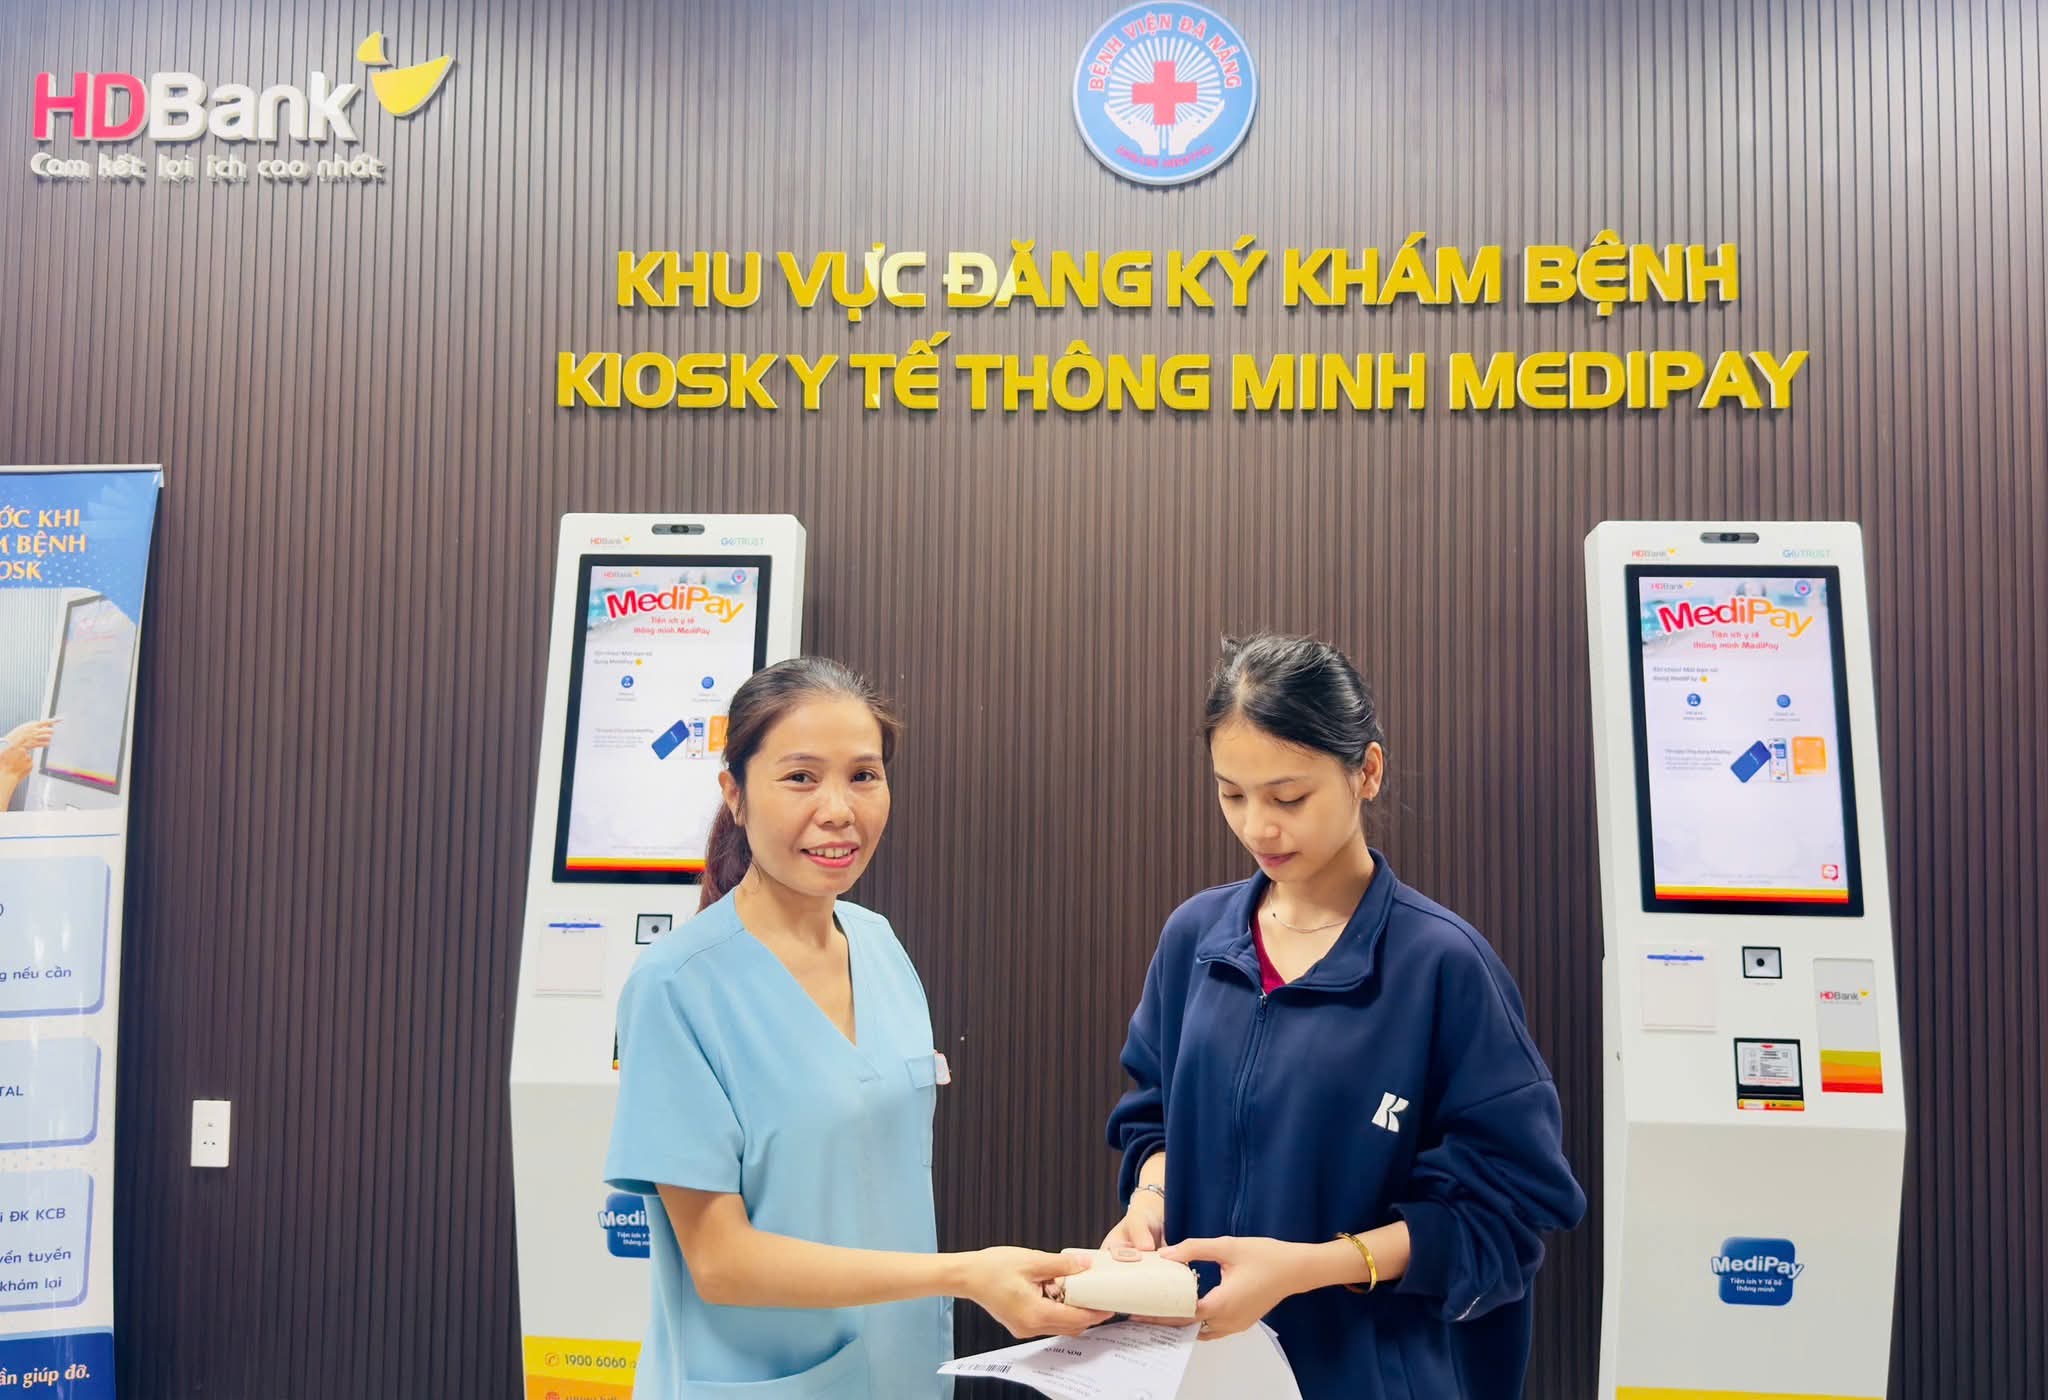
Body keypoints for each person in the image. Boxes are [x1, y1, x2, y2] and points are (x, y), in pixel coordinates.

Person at [606, 658, 1108, 1399]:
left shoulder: (877, 944)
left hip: (901, 1374)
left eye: (864, 776)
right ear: (734, 795)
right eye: (801, 778)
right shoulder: (675, 988)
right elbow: (719, 1261)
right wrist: (965, 1275)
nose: (839, 810)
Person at [1099, 635, 1585, 1399]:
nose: (1258, 828)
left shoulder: (1442, 966)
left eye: (1288, 798)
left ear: (1368, 772)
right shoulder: (1195, 939)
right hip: (1202, 1373)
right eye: (1232, 795)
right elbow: (1154, 1116)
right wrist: (1148, 1203)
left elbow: (1508, 1213)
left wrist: (1307, 1269)